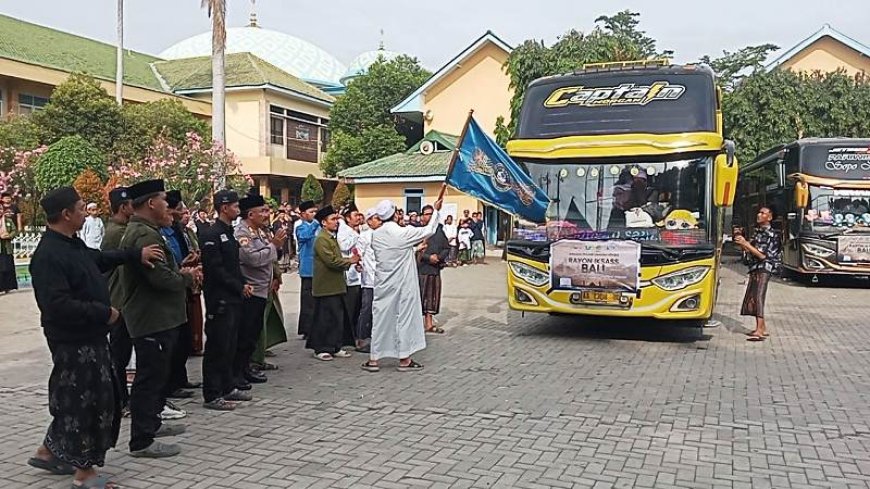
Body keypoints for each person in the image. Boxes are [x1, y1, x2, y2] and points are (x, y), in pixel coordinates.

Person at [27, 186, 163, 489]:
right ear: (66, 215)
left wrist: (133, 255)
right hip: (74, 342)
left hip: (90, 338)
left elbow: (97, 260)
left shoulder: (71, 245)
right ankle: (84, 473)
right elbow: (57, 305)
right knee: (87, 403)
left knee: (73, 400)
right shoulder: (49, 255)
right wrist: (104, 313)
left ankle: (48, 452)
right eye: (80, 208)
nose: (85, 213)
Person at [119, 179, 199, 458]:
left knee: (157, 375)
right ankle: (141, 441)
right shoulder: (144, 236)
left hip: (161, 316)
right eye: (165, 201)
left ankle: (152, 423)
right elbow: (160, 278)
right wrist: (187, 277)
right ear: (152, 203)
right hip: (151, 317)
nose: (170, 207)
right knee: (148, 378)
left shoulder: (152, 231)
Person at [361, 196, 442, 373]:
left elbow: (394, 250)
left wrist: (414, 249)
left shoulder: (376, 235)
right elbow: (429, 229)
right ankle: (404, 358)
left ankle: (374, 359)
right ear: (395, 214)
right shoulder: (403, 233)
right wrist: (436, 210)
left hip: (384, 283)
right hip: (404, 283)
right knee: (405, 318)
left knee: (381, 318)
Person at [200, 190, 253, 411]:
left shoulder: (229, 233)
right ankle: (212, 394)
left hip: (234, 297)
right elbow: (216, 269)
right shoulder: (212, 234)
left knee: (230, 344)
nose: (237, 210)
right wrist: (238, 286)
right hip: (219, 298)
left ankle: (227, 386)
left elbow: (233, 265)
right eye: (235, 206)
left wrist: (243, 284)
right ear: (224, 207)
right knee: (217, 346)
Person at [234, 194, 286, 389]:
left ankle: (247, 368)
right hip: (250, 290)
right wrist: (275, 245)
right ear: (250, 214)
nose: (267, 215)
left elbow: (270, 258)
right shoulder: (242, 234)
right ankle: (238, 372)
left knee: (253, 334)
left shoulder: (261, 232)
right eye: (262, 211)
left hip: (263, 289)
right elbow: (253, 259)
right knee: (245, 334)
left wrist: (275, 275)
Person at [160, 190, 201, 400]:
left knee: (184, 337)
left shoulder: (178, 230)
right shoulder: (161, 233)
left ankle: (180, 377)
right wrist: (181, 265)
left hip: (184, 285)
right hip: (173, 287)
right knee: (173, 341)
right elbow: (166, 264)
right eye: (179, 209)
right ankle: (170, 385)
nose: (182, 212)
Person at [306, 205, 360, 361]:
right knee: (324, 319)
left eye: (337, 218)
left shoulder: (331, 237)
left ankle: (335, 346)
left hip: (336, 285)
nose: (337, 222)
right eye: (333, 219)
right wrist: (350, 261)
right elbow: (332, 261)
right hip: (325, 286)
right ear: (323, 222)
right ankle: (321, 348)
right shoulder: (321, 239)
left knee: (337, 318)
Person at [102, 186, 134, 415]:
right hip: (119, 301)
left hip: (125, 300)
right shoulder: (116, 233)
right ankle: (119, 400)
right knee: (119, 356)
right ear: (123, 207)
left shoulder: (123, 229)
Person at [735, 206, 782, 341]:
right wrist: (741, 241)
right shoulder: (758, 232)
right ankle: (762, 326)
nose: (759, 215)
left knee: (758, 296)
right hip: (755, 266)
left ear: (770, 217)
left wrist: (746, 244)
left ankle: (760, 329)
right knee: (753, 295)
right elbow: (751, 249)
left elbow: (763, 256)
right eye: (759, 212)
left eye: (763, 213)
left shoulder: (772, 234)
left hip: (765, 267)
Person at [418, 205, 450, 334]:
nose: (429, 216)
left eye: (432, 214)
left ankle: (429, 324)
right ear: (422, 216)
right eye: (427, 214)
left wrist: (438, 257)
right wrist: (427, 257)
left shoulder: (439, 230)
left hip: (435, 269)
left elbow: (446, 248)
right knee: (420, 297)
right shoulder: (418, 231)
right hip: (421, 269)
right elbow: (413, 250)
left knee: (432, 298)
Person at [355, 207, 382, 353]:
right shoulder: (365, 236)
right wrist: (358, 264)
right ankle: (361, 339)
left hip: (383, 280)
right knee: (366, 309)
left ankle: (378, 338)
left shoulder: (385, 234)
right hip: (369, 279)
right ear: (370, 220)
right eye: (376, 218)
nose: (379, 221)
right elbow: (358, 253)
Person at [337, 203, 363, 349]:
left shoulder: (355, 230)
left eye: (359, 215)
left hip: (357, 272)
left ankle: (354, 336)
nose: (358, 218)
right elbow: (343, 246)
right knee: (349, 308)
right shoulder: (344, 230)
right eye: (355, 216)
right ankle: (346, 337)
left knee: (356, 309)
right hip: (348, 274)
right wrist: (356, 236)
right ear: (347, 218)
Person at [295, 200, 319, 339]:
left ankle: (315, 326)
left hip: (318, 269)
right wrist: (315, 224)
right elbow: (304, 237)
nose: (314, 214)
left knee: (316, 300)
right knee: (307, 301)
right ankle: (306, 329)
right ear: (303, 214)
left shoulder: (319, 228)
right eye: (311, 212)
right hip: (307, 269)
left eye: (315, 212)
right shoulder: (301, 227)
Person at [0, 192, 19, 293]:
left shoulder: (8, 220)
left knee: (7, 266)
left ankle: (8, 286)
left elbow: (14, 230)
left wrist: (9, 235)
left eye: (1, 209)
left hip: (7, 246)